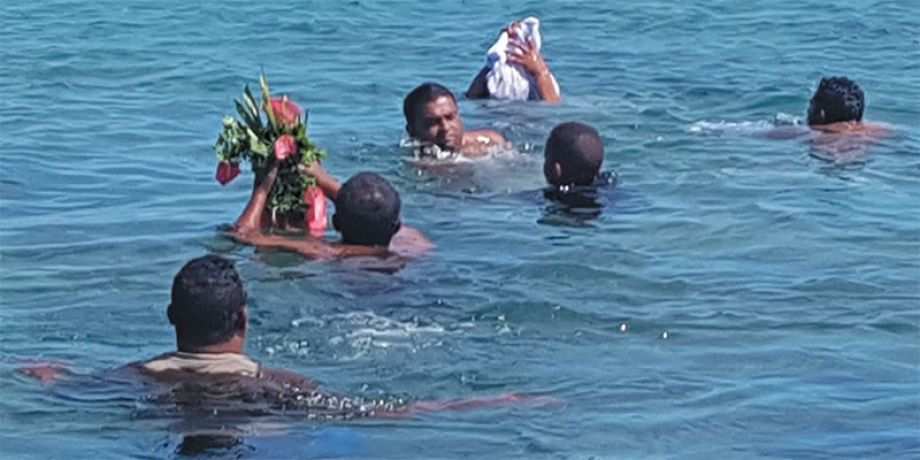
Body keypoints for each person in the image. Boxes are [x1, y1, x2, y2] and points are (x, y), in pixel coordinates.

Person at [19, 255, 555, 419]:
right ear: (243, 322)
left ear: (171, 317)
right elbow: (384, 412)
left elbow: (60, 386)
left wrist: (46, 372)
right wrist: (486, 401)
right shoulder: (281, 386)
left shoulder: (130, 379)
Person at [229, 159, 432, 261]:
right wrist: (324, 180)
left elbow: (242, 234)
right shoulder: (415, 243)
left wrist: (263, 187)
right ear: (396, 227)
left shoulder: (326, 251)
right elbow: (380, 214)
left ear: (335, 223)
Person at [465, 19, 561, 103]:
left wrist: (495, 60)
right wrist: (541, 72)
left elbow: (470, 98)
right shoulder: (494, 76)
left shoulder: (491, 79)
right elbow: (553, 105)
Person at [403, 82, 507, 158]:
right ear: (412, 131)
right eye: (432, 123)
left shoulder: (491, 141)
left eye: (450, 117)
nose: (445, 127)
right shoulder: (415, 163)